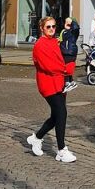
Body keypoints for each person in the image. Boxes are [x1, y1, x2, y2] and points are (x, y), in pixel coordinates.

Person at [27, 16, 76, 163]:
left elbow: (69, 45)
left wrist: (68, 29)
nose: (52, 29)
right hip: (48, 84)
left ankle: (37, 137)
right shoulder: (40, 45)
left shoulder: (55, 41)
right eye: (48, 27)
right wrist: (67, 69)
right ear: (42, 28)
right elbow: (49, 66)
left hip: (59, 82)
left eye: (54, 26)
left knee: (56, 116)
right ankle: (61, 150)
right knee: (62, 113)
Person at [59, 17, 80, 93]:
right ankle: (70, 82)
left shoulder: (74, 32)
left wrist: (72, 21)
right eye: (65, 22)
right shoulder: (64, 32)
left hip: (70, 52)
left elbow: (76, 27)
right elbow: (61, 41)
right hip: (64, 52)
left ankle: (68, 83)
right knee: (65, 68)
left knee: (67, 69)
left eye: (68, 23)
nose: (67, 24)